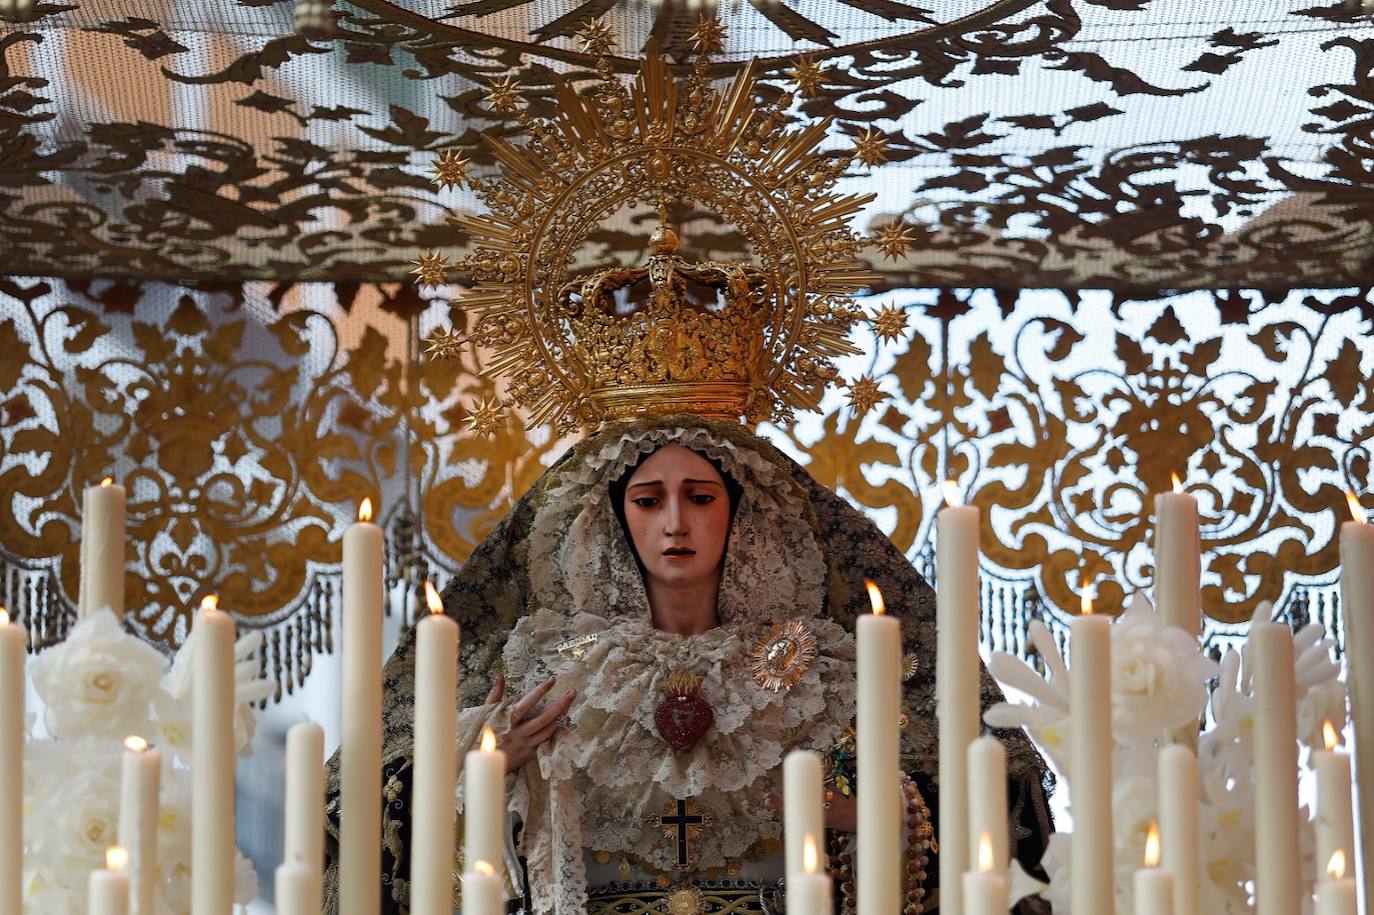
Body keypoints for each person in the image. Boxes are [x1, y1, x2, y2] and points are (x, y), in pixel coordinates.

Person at [321, 416, 1054, 914]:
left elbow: (958, 817)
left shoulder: (820, 672)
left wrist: (879, 817)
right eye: (649, 499)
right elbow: (392, 828)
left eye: (700, 497)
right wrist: (484, 765)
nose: (676, 521)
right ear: (615, 519)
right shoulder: (545, 670)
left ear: (741, 515)